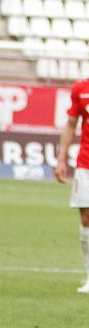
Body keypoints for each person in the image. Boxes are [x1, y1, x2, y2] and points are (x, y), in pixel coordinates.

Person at [53, 77, 89, 294]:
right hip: (86, 163)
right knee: (86, 217)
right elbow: (71, 124)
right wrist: (61, 158)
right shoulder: (81, 89)